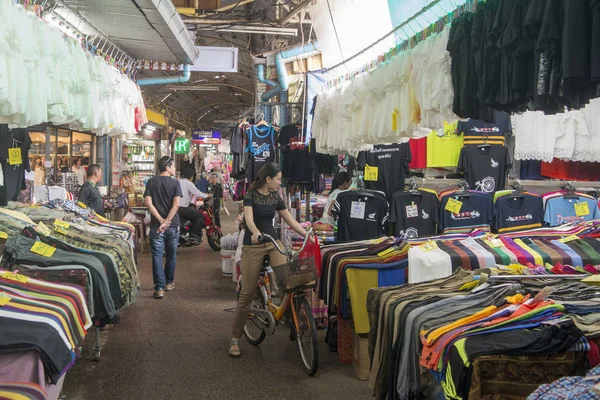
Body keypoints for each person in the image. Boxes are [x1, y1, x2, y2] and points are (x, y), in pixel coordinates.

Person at [229, 163, 312, 358]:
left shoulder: (276, 197)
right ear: (268, 179)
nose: (279, 182)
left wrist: (308, 234)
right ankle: (234, 338)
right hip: (254, 244)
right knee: (247, 293)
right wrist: (257, 234)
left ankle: (293, 320)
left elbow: (290, 220)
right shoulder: (250, 195)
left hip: (273, 242)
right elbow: (248, 220)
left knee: (288, 280)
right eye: (277, 179)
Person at [144, 156, 182, 299]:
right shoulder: (175, 183)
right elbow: (176, 205)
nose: (174, 169)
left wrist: (160, 221)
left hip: (156, 226)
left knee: (157, 256)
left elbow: (148, 203)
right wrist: (167, 221)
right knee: (171, 255)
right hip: (172, 226)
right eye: (173, 166)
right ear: (167, 167)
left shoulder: (151, 182)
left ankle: (159, 288)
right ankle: (168, 283)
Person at [178, 168, 211, 241]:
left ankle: (185, 231)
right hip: (183, 208)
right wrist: (207, 196)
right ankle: (194, 234)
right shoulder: (188, 183)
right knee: (200, 215)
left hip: (175, 208)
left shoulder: (178, 182)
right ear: (191, 176)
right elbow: (197, 193)